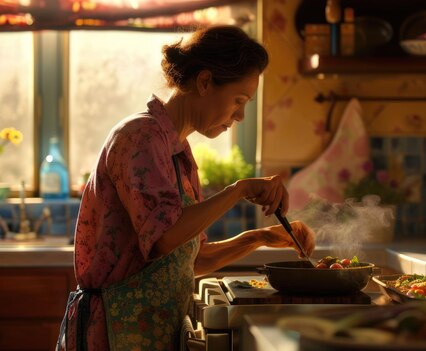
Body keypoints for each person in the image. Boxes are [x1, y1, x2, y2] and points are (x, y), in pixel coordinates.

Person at [56, 25, 316, 351]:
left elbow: (190, 260)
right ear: (205, 82)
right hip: (111, 333)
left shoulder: (179, 151)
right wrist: (238, 190)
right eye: (239, 100)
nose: (240, 115)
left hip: (149, 334)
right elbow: (163, 238)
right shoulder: (141, 136)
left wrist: (259, 238)